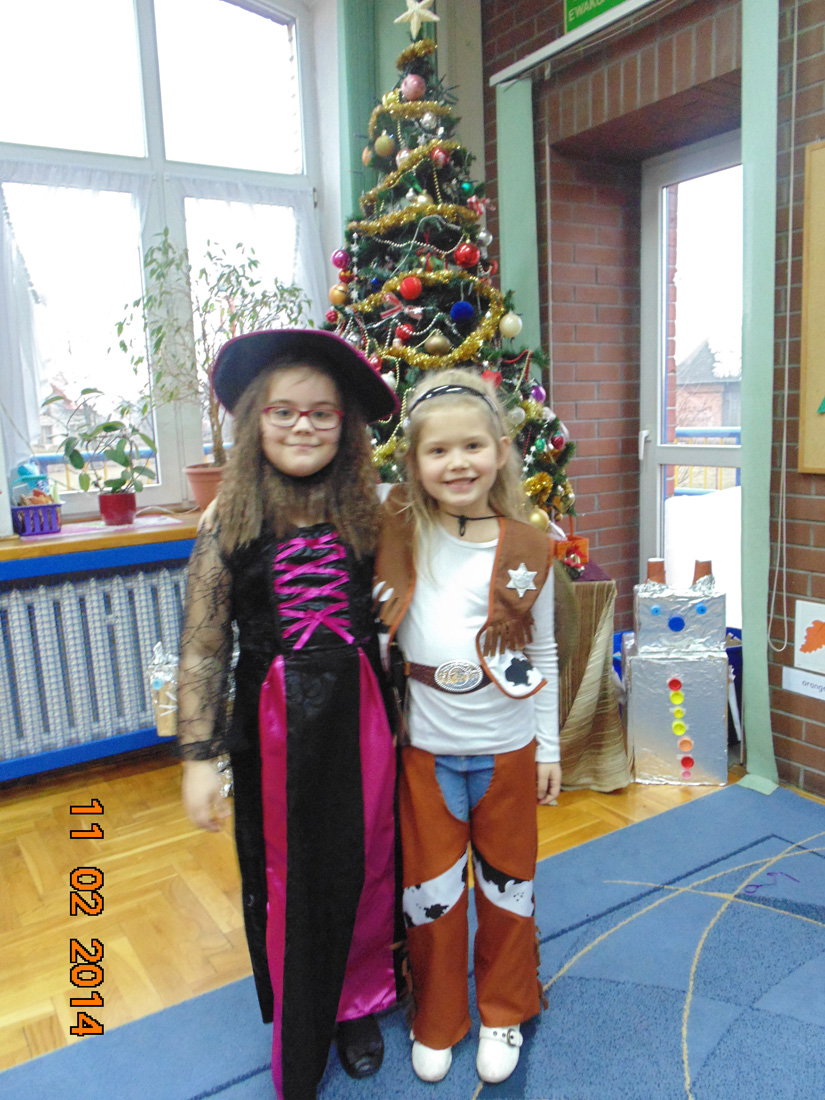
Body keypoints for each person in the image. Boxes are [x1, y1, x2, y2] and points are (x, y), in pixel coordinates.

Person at [176, 329, 401, 1100]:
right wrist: (198, 756)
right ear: (255, 422)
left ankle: (358, 1000)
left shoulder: (369, 513)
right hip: (272, 728)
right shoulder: (227, 521)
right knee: (286, 871)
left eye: (321, 413)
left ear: (345, 426)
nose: (302, 426)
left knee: (366, 859)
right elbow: (204, 644)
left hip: (360, 717)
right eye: (283, 412)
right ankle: (304, 1006)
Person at [373, 368, 561, 1086]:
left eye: (473, 446)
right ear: (414, 462)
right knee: (432, 895)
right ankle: (438, 1014)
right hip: (425, 751)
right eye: (438, 450)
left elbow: (544, 651)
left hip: (507, 747)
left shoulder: (530, 548)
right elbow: (321, 493)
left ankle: (505, 1009)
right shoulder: (397, 524)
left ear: (502, 450)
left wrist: (546, 745)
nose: (457, 463)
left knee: (508, 889)